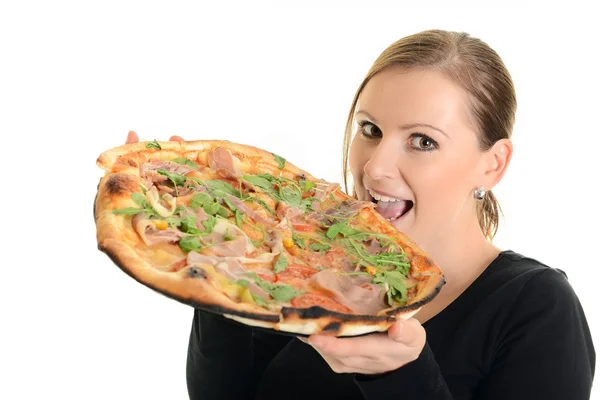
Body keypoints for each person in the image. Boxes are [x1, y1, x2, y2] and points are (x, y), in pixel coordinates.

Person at [125, 29, 596, 399]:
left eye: (423, 141)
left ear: (492, 164)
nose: (374, 166)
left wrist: (402, 378)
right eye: (369, 129)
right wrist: (220, 264)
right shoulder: (308, 261)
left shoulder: (537, 308)